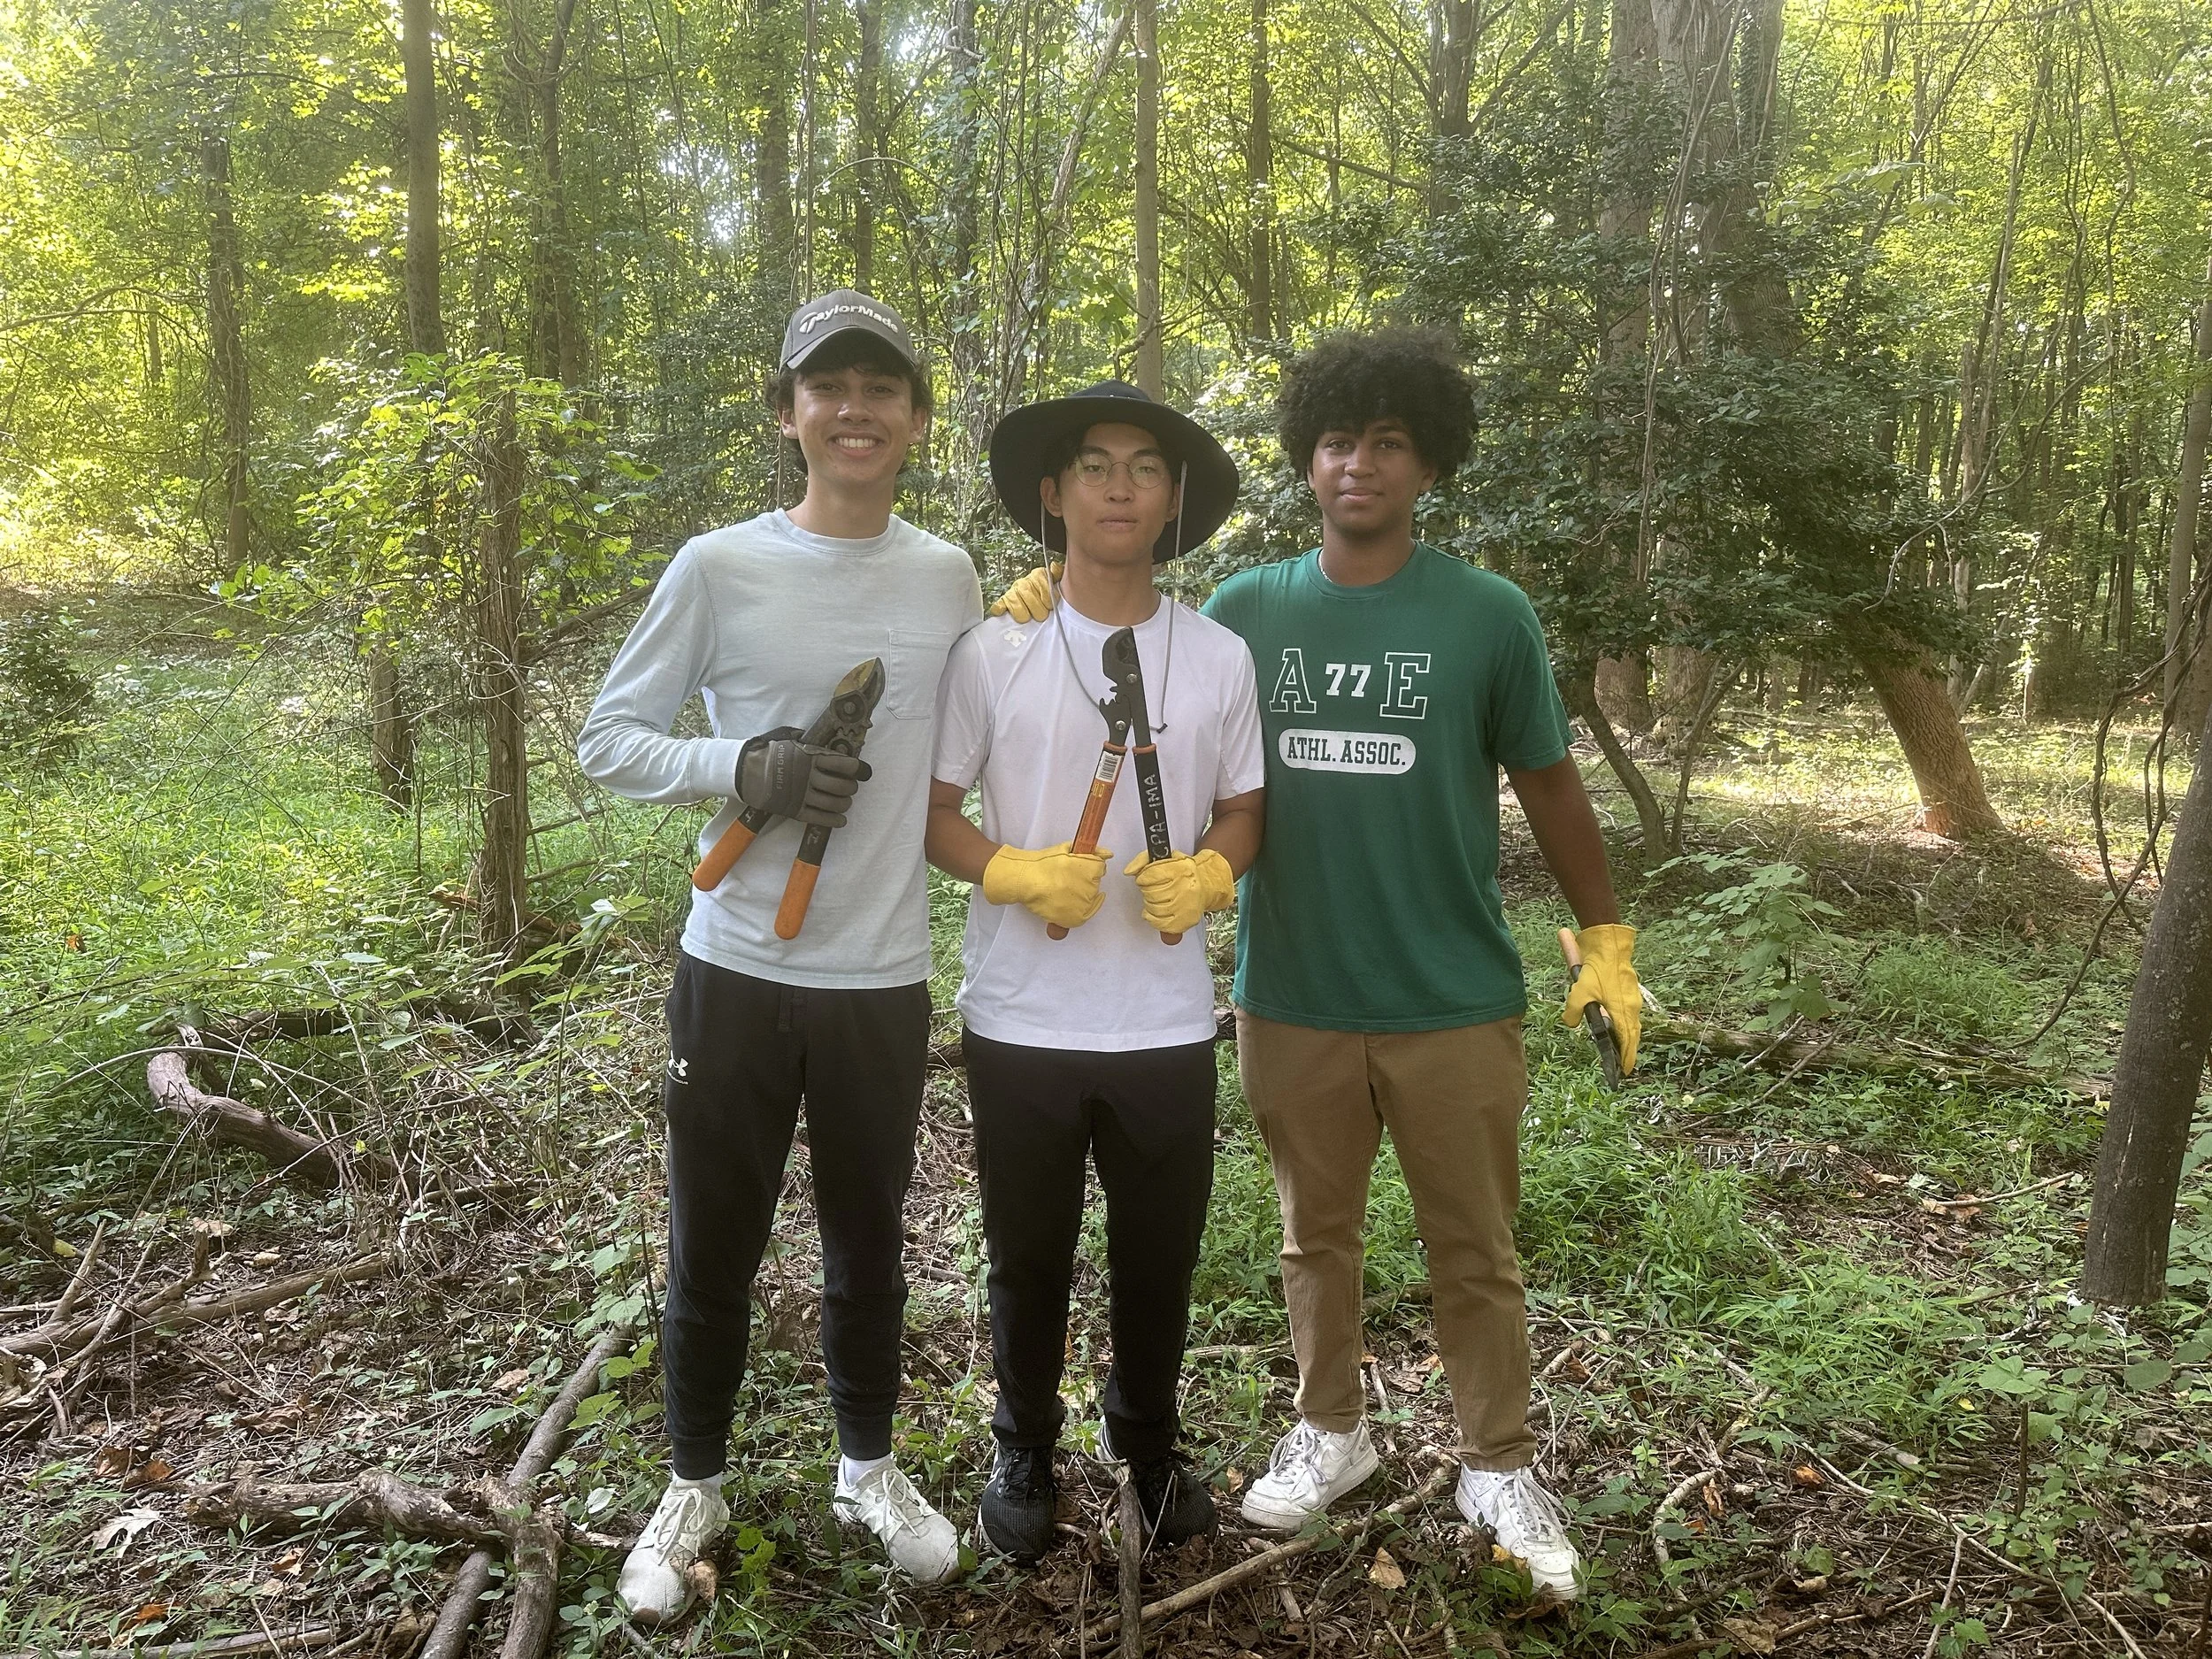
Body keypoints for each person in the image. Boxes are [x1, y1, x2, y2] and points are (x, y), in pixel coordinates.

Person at [990, 330, 1643, 1603]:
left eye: (1389, 442)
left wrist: (1604, 939)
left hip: (1451, 991)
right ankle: (1331, 1427)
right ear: (1308, 458)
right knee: (1314, 1238)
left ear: (1427, 464)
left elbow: (1553, 785)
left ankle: (1497, 1460)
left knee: (1476, 1244)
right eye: (1339, 441)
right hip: (1291, 992)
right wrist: (1039, 611)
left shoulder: (1486, 614)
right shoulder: (1246, 612)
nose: (1359, 464)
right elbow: (1135, 667)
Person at [577, 291, 982, 1623]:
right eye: (829, 385)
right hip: (737, 969)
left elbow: (971, 745)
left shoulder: (948, 576)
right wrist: (737, 763)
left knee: (870, 1241)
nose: (854, 408)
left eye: (882, 387)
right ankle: (694, 1481)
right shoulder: (717, 565)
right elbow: (609, 738)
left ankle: (867, 1466)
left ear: (916, 420)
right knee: (716, 1242)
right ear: (789, 412)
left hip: (879, 978)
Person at [925, 381, 1266, 1563]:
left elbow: (1245, 806)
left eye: (1146, 467)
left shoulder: (1219, 654)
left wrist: (1215, 873)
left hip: (1165, 1018)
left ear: (1171, 500)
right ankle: (1024, 1437)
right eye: (1096, 464)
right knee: (1027, 1249)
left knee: (1160, 1250)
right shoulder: (994, 649)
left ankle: (1150, 1440)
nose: (1121, 484)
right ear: (1054, 493)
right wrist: (1011, 870)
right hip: (1022, 1015)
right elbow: (934, 814)